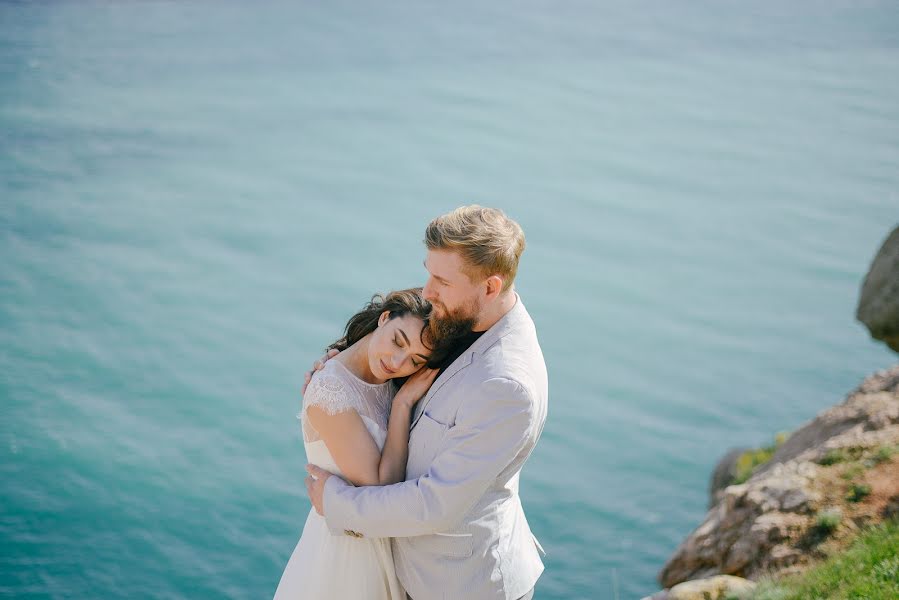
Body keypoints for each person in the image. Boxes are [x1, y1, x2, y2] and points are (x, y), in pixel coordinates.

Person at [304, 206, 549, 600]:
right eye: (428, 272)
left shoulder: (505, 385)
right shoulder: (462, 315)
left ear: (489, 287)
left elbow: (436, 504)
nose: (427, 291)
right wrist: (342, 363)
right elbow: (398, 331)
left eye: (441, 280)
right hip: (403, 570)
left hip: (459, 584)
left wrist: (337, 502)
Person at [274, 288, 458, 600]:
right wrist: (402, 406)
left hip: (384, 543)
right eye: (398, 341)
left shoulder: (386, 377)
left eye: (416, 360)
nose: (397, 362)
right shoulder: (329, 392)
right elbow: (378, 488)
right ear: (384, 317)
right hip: (348, 555)